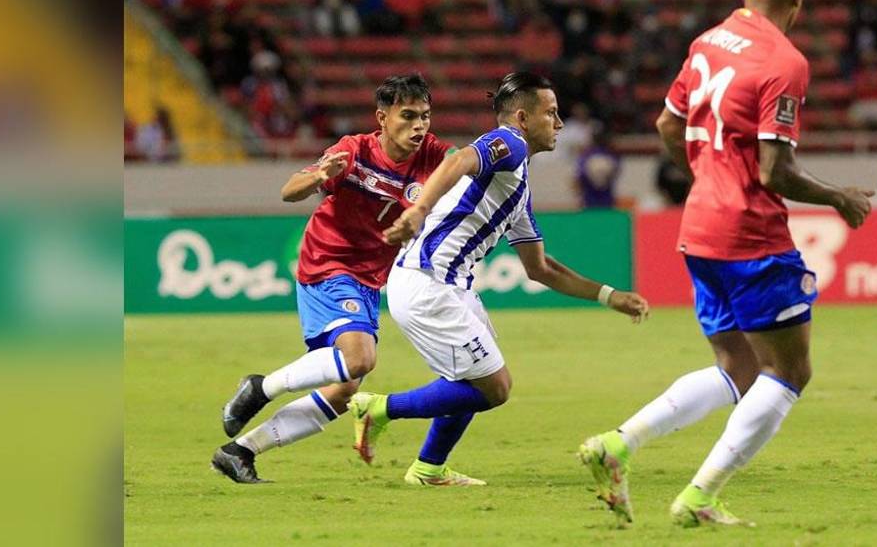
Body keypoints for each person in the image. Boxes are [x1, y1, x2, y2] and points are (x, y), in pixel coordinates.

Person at [578, 0, 875, 527]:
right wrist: (839, 197)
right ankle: (700, 496)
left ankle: (619, 444)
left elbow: (667, 124)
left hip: (700, 227)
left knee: (737, 367)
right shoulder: (785, 62)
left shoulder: (708, 42)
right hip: (751, 236)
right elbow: (775, 170)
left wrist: (707, 179)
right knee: (789, 372)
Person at [346, 72, 650, 487]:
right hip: (428, 282)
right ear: (522, 118)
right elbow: (457, 161)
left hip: (447, 286)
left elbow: (540, 268)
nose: (559, 123)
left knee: (473, 375)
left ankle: (429, 468)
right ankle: (379, 408)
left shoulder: (516, 186)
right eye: (551, 113)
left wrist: (609, 296)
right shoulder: (509, 142)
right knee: (495, 387)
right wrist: (418, 211)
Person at [211, 75, 451, 483]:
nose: (419, 126)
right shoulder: (355, 150)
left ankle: (240, 451)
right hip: (329, 261)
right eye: (408, 116)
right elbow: (290, 191)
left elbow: (467, 162)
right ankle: (259, 387)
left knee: (344, 391)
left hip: (370, 278)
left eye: (425, 117)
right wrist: (320, 176)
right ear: (382, 118)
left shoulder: (433, 155)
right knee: (360, 359)